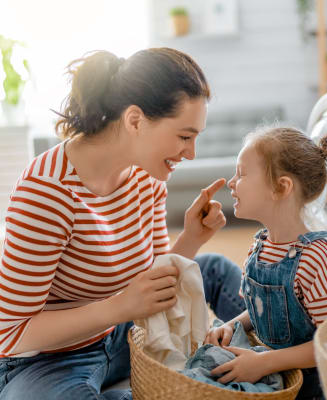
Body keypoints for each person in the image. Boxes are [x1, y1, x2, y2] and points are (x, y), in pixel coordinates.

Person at [0, 48, 245, 400]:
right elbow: (13, 331)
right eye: (184, 136)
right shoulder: (47, 192)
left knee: (214, 268)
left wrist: (191, 238)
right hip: (45, 359)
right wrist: (119, 307)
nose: (191, 153)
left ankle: (267, 352)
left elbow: (151, 282)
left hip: (122, 333)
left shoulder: (147, 178)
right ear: (134, 121)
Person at [204, 127, 327, 399]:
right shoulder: (259, 247)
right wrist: (231, 325)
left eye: (242, 173)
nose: (232, 182)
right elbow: (262, 309)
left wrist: (264, 363)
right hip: (272, 376)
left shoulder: (316, 259)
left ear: (281, 187)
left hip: (314, 388)